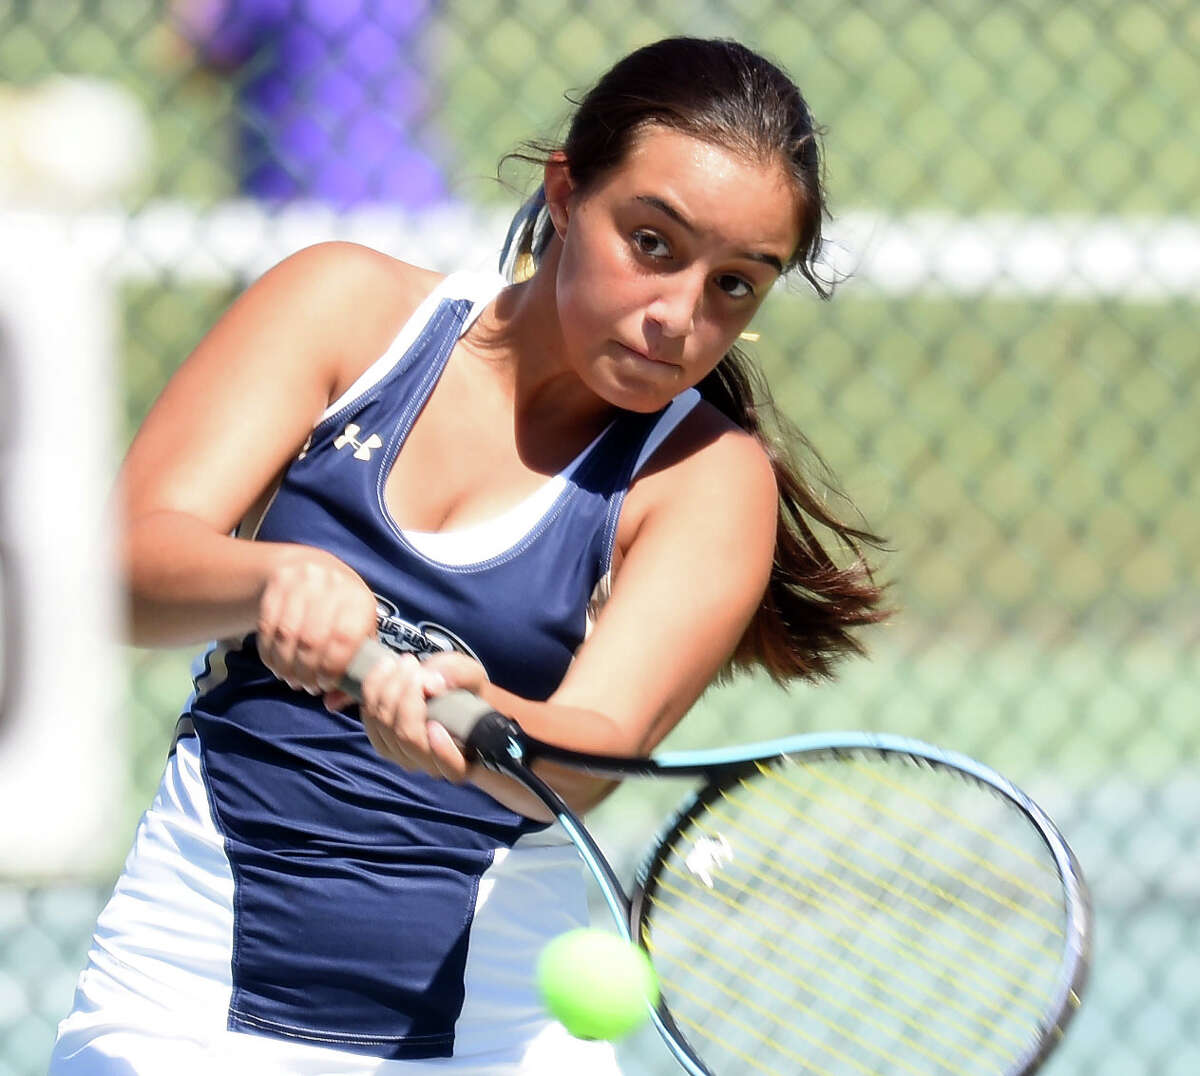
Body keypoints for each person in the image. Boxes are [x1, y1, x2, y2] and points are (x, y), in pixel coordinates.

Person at [50, 36, 886, 1075]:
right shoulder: (342, 308)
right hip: (179, 1010)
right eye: (654, 242)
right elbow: (121, 566)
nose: (680, 316)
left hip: (491, 1043)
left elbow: (586, 754)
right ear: (567, 191)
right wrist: (273, 578)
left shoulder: (708, 481)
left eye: (736, 287)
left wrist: (485, 719)